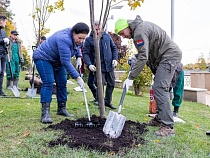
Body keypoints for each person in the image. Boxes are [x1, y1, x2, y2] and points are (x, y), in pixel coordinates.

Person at [115, 15, 182, 137]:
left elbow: (144, 57)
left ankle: (168, 126)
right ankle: (160, 118)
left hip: (169, 56)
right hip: (163, 57)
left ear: (127, 27)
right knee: (157, 87)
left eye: (122, 33)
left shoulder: (139, 32)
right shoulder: (139, 29)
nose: (123, 36)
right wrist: (134, 57)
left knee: (160, 88)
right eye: (120, 35)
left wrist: (131, 78)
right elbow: (145, 51)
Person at [33, 22, 89, 124]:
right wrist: (77, 77)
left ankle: (61, 109)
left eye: (83, 38)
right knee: (48, 82)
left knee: (62, 82)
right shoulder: (64, 38)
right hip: (43, 58)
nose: (81, 41)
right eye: (79, 38)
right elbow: (65, 62)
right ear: (73, 33)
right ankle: (45, 113)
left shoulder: (77, 39)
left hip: (57, 60)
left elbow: (77, 47)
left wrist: (79, 57)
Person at [84, 21, 118, 109]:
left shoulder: (107, 37)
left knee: (111, 83)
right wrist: (89, 64)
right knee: (100, 84)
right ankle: (101, 103)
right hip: (98, 67)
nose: (98, 31)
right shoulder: (89, 40)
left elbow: (113, 48)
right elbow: (86, 53)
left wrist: (115, 59)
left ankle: (107, 101)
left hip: (109, 65)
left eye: (99, 29)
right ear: (92, 29)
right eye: (96, 29)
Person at [0, 15, 9, 96]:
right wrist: (2, 41)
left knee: (2, 73)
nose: (5, 24)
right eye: (5, 22)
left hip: (3, 54)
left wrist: (6, 43)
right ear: (1, 21)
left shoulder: (3, 32)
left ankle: (0, 91)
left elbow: (4, 43)